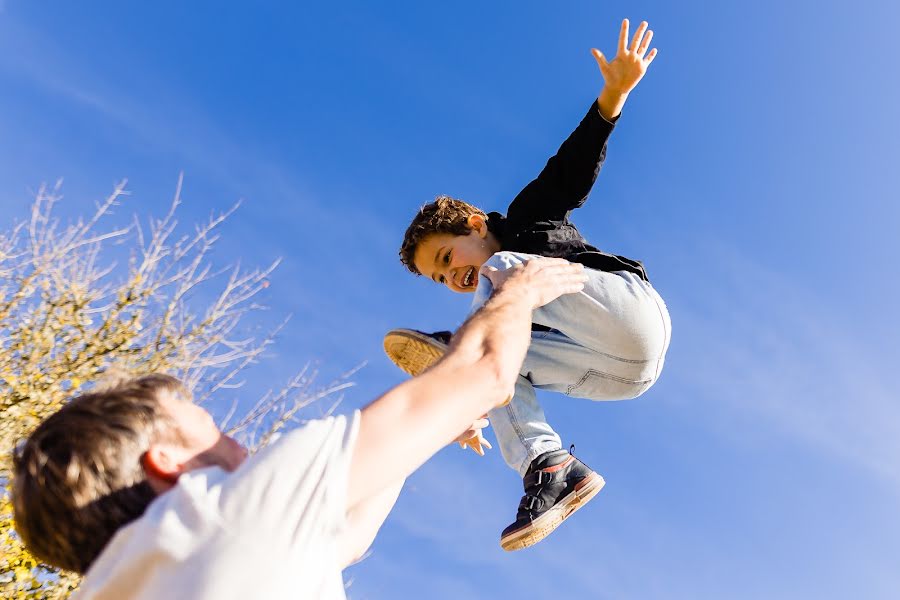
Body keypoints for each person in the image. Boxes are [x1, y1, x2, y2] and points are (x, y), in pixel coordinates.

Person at [11, 257, 586, 600]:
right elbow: (485, 371)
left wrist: (436, 422)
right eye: (211, 430)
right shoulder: (218, 515)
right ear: (166, 462)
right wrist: (520, 291)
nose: (235, 441)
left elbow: (348, 531)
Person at [384, 18, 672, 551]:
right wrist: (470, 400)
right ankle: (550, 465)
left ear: (473, 224)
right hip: (611, 378)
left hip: (629, 316)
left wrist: (612, 96)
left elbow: (570, 171)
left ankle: (460, 354)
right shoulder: (499, 301)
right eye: (442, 278)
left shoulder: (522, 222)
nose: (454, 277)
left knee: (505, 278)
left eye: (448, 258)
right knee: (498, 362)